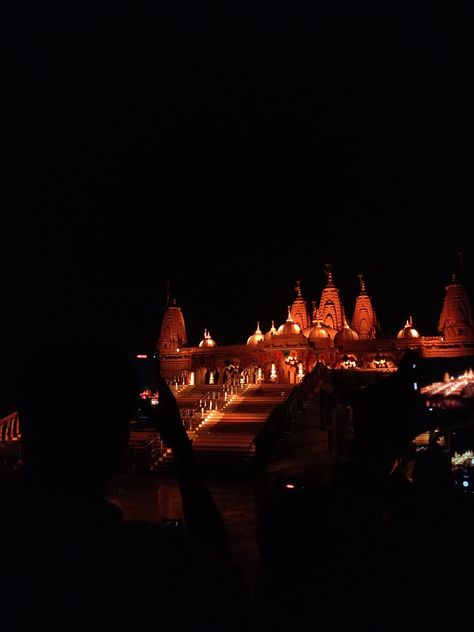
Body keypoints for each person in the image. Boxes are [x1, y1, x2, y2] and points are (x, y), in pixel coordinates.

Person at [0, 344, 248, 631]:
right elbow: (224, 589)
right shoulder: (149, 560)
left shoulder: (15, 544)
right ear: (117, 444)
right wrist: (180, 445)